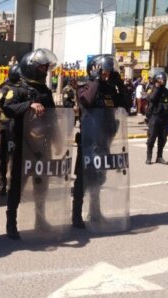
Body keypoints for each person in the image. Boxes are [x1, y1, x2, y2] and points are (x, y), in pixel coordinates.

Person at [0, 48, 58, 239]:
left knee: (41, 185)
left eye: (46, 67)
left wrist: (57, 138)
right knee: (17, 185)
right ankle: (11, 223)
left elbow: (53, 117)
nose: (45, 70)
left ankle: (40, 219)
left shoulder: (45, 91)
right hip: (21, 146)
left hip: (42, 146)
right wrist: (28, 105)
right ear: (32, 68)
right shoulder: (17, 88)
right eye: (42, 67)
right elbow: (7, 108)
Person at [72, 54, 122, 228]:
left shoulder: (109, 89)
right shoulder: (85, 86)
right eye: (104, 72)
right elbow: (86, 100)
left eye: (109, 73)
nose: (107, 76)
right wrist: (94, 81)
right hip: (88, 141)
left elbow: (125, 103)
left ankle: (95, 211)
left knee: (99, 178)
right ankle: (76, 215)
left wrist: (119, 83)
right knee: (83, 178)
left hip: (104, 140)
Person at [0, 64, 22, 197]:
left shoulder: (24, 88)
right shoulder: (5, 88)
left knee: (16, 156)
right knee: (3, 156)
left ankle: (14, 183)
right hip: (5, 126)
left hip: (18, 125)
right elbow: (1, 103)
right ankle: (2, 184)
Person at [145, 72, 168, 165]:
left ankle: (159, 156)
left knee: (163, 139)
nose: (163, 81)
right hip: (154, 117)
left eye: (164, 80)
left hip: (164, 118)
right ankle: (149, 157)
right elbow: (152, 99)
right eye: (161, 80)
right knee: (151, 138)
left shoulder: (166, 91)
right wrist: (158, 87)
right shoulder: (152, 89)